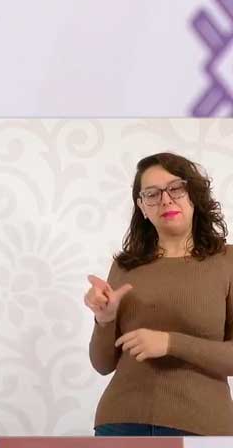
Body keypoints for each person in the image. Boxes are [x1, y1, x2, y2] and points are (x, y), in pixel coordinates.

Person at [84, 151, 232, 436]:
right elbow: (102, 365)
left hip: (200, 425)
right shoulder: (125, 266)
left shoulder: (228, 261)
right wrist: (104, 319)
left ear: (194, 194)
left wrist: (170, 343)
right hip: (120, 422)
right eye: (152, 194)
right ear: (142, 206)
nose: (165, 200)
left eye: (176, 188)